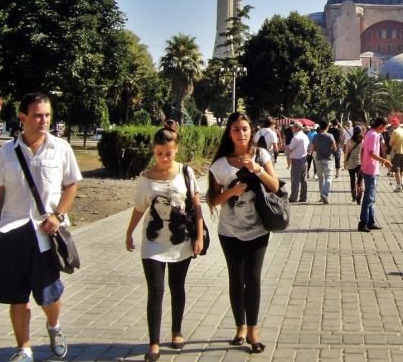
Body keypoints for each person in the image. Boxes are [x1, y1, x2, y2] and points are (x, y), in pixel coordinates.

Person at [0, 92, 82, 362]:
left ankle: (54, 327)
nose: (43, 120)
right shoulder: (8, 152)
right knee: (16, 296)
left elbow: (71, 186)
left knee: (48, 295)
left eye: (47, 115)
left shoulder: (61, 148)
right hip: (13, 231)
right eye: (37, 115)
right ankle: (25, 348)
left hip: (46, 233)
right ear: (23, 118)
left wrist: (58, 215)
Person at [125, 121, 203, 362]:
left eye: (168, 153)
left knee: (177, 287)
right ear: (153, 151)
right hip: (153, 242)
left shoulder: (186, 173)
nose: (164, 158)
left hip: (181, 241)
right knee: (155, 291)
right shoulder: (145, 178)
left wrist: (199, 236)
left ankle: (177, 331)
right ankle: (154, 343)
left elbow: (197, 206)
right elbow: (140, 208)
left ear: (176, 149)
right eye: (159, 153)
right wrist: (129, 233)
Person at [207, 112, 279, 354]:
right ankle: (239, 327)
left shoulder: (261, 154)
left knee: (254, 278)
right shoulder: (219, 165)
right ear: (230, 133)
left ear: (252, 131)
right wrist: (232, 191)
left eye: (245, 129)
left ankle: (253, 330)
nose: (241, 133)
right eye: (236, 129)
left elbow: (275, 186)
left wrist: (257, 169)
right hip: (229, 231)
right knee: (236, 279)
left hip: (259, 228)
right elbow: (213, 199)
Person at [358, 117, 392, 232]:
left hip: (370, 168)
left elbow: (364, 151)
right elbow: (371, 153)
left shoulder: (370, 134)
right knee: (369, 198)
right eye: (385, 126)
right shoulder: (373, 135)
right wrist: (384, 161)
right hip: (370, 169)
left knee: (371, 198)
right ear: (381, 125)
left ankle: (371, 221)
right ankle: (363, 223)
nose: (385, 129)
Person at [309, 120, 337, 204]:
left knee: (321, 178)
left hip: (318, 158)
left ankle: (322, 196)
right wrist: (329, 150)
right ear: (327, 127)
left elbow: (314, 148)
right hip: (328, 159)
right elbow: (334, 148)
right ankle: (324, 194)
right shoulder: (330, 136)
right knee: (328, 177)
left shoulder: (316, 136)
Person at [285, 121, 309, 203]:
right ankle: (303, 197)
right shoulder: (305, 136)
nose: (292, 128)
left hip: (296, 159)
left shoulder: (295, 138)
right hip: (304, 159)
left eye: (293, 127)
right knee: (303, 179)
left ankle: (293, 197)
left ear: (297, 128)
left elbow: (290, 149)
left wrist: (286, 148)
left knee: (295, 179)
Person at [344, 125, 364, 204]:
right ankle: (359, 198)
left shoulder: (349, 141)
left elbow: (346, 152)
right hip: (360, 163)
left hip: (351, 163)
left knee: (352, 180)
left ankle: (353, 196)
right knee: (360, 181)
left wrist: (344, 162)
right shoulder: (363, 141)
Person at [388, 117, 403, 192]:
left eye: (392, 124)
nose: (392, 126)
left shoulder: (395, 132)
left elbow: (390, 143)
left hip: (396, 152)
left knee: (396, 169)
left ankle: (398, 185)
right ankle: (402, 181)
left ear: (395, 124)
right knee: (402, 168)